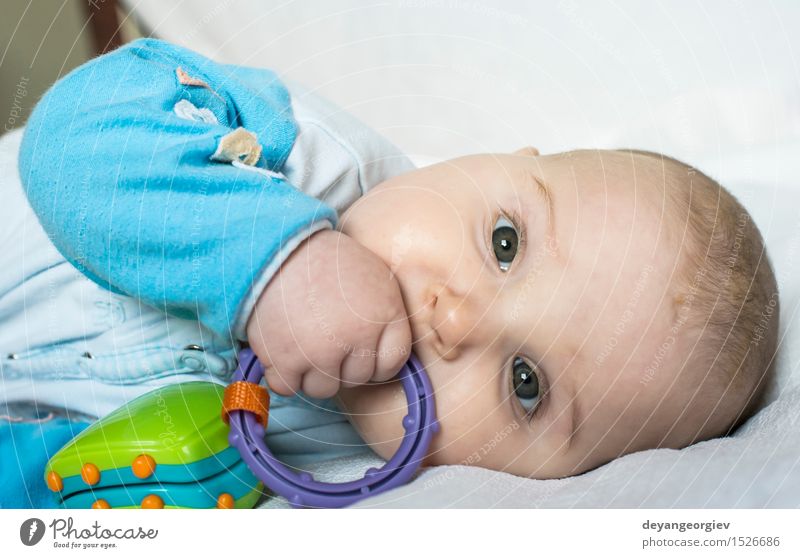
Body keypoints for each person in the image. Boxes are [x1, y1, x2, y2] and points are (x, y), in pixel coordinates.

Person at [2, 38, 779, 506]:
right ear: (505, 158)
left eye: (526, 385)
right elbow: (76, 134)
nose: (458, 320)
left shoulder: (321, 466)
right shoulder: (304, 156)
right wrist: (280, 263)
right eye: (504, 243)